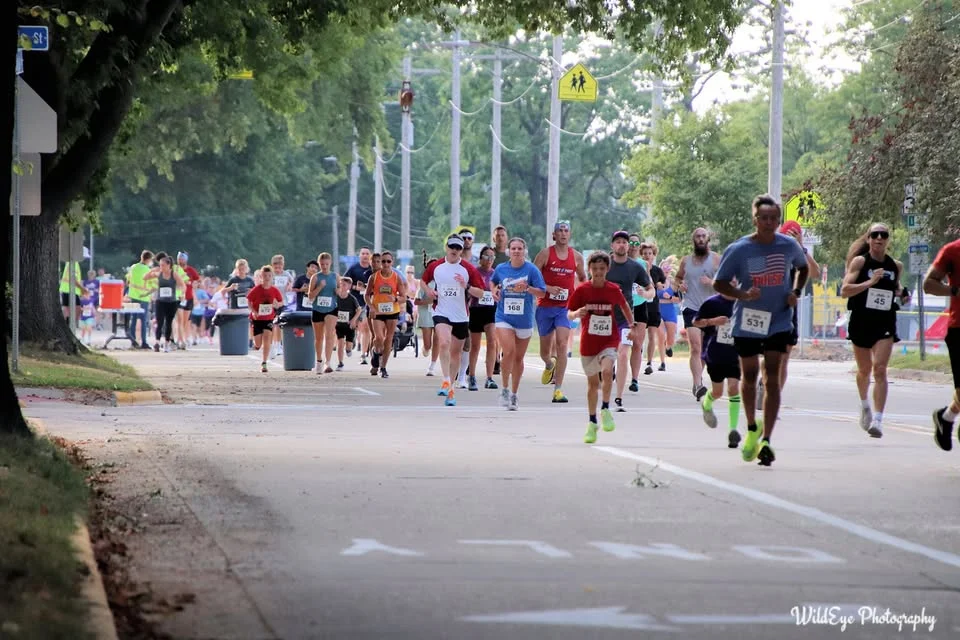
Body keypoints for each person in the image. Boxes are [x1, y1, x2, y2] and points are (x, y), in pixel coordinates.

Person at [713, 194, 809, 466]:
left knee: (772, 376)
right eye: (763, 218)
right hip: (748, 318)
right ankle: (752, 426)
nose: (768, 223)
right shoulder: (739, 249)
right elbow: (720, 284)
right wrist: (742, 294)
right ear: (755, 220)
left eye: (773, 219)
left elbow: (803, 269)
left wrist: (795, 291)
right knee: (750, 374)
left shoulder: (788, 245)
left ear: (778, 220)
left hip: (779, 318)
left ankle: (767, 439)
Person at [840, 223, 906, 438]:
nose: (879, 238)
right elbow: (845, 290)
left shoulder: (895, 266)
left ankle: (878, 419)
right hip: (861, 321)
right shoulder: (860, 262)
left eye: (883, 235)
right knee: (864, 371)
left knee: (879, 369)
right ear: (868, 239)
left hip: (884, 322)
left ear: (888, 240)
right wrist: (870, 282)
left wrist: (902, 294)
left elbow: (897, 289)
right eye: (875, 235)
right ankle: (865, 405)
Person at [567, 251, 634, 443]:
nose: (598, 272)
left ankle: (605, 408)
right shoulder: (582, 290)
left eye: (602, 269)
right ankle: (592, 422)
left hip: (609, 340)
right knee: (592, 385)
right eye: (595, 269)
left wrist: (632, 326)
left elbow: (625, 307)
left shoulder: (613, 289)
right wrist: (576, 313)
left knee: (606, 371)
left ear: (607, 270)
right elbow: (569, 313)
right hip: (589, 342)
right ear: (589, 270)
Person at [420, 234, 486, 406]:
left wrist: (467, 286)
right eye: (452, 247)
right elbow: (423, 281)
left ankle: (450, 384)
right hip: (440, 311)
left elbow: (481, 292)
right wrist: (428, 290)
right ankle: (447, 382)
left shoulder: (468, 269)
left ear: (462, 250)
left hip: (460, 315)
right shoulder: (436, 266)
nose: (455, 251)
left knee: (455, 353)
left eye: (458, 248)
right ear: (446, 248)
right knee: (443, 342)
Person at [533, 220, 586, 403]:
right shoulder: (545, 254)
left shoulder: (576, 257)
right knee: (545, 352)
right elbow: (533, 277)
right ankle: (549, 364)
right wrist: (548, 288)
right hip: (545, 307)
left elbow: (583, 278)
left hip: (565, 308)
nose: (563, 233)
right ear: (554, 235)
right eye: (559, 231)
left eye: (566, 231)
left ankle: (558, 390)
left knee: (563, 344)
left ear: (569, 234)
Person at [491, 237, 547, 410]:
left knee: (518, 358)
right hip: (503, 317)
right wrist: (494, 290)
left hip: (524, 319)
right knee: (508, 351)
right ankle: (505, 389)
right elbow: (493, 281)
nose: (516, 251)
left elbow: (543, 293)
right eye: (513, 248)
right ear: (509, 251)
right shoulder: (501, 268)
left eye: (519, 248)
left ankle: (514, 394)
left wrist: (528, 289)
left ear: (525, 251)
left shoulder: (531, 270)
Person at [605, 230, 654, 411]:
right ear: (612, 245)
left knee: (623, 354)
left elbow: (651, 289)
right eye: (618, 242)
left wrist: (646, 294)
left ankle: (618, 398)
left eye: (624, 242)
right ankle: (606, 390)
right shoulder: (604, 264)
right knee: (607, 359)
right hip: (603, 318)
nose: (621, 245)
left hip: (626, 318)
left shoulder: (635, 267)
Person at [675, 228, 722, 400]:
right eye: (697, 236)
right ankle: (697, 384)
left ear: (708, 239)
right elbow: (678, 278)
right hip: (691, 307)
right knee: (695, 347)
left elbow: (728, 282)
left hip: (711, 308)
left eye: (703, 236)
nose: (701, 239)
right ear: (693, 240)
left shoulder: (717, 259)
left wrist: (712, 282)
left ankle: (698, 378)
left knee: (704, 350)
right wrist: (680, 285)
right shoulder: (686, 261)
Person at [693, 287, 743, 448]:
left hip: (736, 353)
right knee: (718, 392)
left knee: (734, 388)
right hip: (715, 353)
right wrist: (713, 321)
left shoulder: (742, 302)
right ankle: (707, 404)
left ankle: (733, 430)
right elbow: (696, 321)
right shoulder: (712, 303)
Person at [775, 221, 821, 392]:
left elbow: (815, 272)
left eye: (793, 236)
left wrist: (800, 247)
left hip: (788, 311)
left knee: (784, 358)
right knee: (770, 357)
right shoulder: (770, 251)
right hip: (768, 309)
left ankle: (775, 398)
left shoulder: (798, 256)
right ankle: (765, 382)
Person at [925, 238, 960, 450]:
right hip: (959, 329)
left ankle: (946, 417)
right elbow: (928, 284)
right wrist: (954, 291)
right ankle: (946, 418)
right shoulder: (952, 251)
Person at [366, 250, 406, 379]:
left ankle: (383, 367)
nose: (386, 264)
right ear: (380, 263)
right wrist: (371, 306)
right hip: (377, 311)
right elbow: (367, 295)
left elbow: (403, 297)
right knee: (379, 338)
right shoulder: (374, 277)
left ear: (392, 262)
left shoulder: (396, 277)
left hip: (392, 311)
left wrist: (395, 299)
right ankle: (376, 353)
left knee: (389, 339)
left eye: (389, 261)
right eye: (383, 261)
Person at [467, 246, 499, 391]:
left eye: (492, 257)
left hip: (491, 309)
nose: (489, 260)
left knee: (492, 341)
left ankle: (489, 377)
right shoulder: (474, 272)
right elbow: (468, 289)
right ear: (480, 258)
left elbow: (500, 290)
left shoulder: (496, 274)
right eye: (486, 256)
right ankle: (472, 376)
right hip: (476, 309)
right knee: (475, 345)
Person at [246, 265, 285, 373]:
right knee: (258, 344)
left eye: (269, 275)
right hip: (257, 318)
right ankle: (257, 345)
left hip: (269, 318)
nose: (267, 278)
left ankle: (264, 363)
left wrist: (277, 304)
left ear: (272, 277)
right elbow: (249, 300)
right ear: (261, 277)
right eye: (264, 276)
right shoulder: (256, 289)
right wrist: (253, 312)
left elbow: (281, 302)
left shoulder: (274, 290)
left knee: (267, 338)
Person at [144, 256, 186, 352]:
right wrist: (152, 270)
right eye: (160, 265)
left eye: (163, 265)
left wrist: (182, 294)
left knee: (168, 322)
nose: (161, 267)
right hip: (160, 301)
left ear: (168, 265)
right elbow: (145, 277)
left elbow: (182, 285)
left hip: (171, 302)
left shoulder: (174, 275)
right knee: (159, 322)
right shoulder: (159, 274)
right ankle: (157, 342)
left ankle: (167, 343)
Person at [309, 253, 339, 374]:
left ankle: (328, 362)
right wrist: (319, 287)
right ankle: (319, 361)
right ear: (319, 264)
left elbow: (341, 293)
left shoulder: (335, 276)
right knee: (319, 337)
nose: (324, 266)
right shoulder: (316, 277)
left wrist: (338, 291)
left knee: (330, 334)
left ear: (330, 263)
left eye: (326, 264)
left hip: (331, 308)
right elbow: (310, 296)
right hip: (317, 309)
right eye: (322, 264)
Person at [344, 247, 374, 364]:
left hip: (368, 302)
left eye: (367, 254)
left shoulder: (373, 269)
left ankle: (363, 355)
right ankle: (351, 342)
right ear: (359, 255)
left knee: (365, 328)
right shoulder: (354, 268)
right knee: (352, 326)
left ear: (370, 256)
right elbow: (344, 281)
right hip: (355, 302)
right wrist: (355, 287)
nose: (365, 256)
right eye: (363, 254)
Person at [641, 243, 668, 374]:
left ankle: (649, 362)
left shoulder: (657, 271)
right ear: (641, 255)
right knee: (638, 336)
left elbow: (663, 283)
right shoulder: (638, 268)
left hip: (653, 306)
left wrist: (660, 285)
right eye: (645, 253)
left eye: (649, 253)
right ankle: (638, 353)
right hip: (640, 304)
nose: (647, 256)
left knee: (652, 334)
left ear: (653, 255)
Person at [417, 256, 441, 376]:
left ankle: (432, 366)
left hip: (439, 314)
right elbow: (416, 301)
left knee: (437, 339)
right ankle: (426, 348)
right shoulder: (424, 283)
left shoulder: (443, 282)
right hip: (426, 314)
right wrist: (428, 301)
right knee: (428, 344)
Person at [125, 251, 154, 349]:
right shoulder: (147, 269)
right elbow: (150, 283)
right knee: (143, 320)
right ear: (148, 259)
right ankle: (144, 342)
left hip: (133, 296)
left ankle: (133, 341)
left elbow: (128, 280)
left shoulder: (133, 267)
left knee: (133, 319)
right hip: (143, 297)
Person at [335, 276, 363, 370]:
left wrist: (354, 320)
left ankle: (349, 348)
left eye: (344, 285)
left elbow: (359, 310)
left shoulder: (352, 298)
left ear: (349, 286)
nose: (342, 286)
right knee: (340, 343)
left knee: (348, 346)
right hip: (339, 324)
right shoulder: (336, 297)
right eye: (341, 284)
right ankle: (340, 363)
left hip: (349, 325)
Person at [175, 252, 201, 350]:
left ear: (186, 259)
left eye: (182, 258)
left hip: (188, 297)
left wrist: (193, 285)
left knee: (186, 321)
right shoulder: (175, 269)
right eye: (179, 258)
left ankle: (184, 339)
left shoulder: (190, 270)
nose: (180, 260)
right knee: (179, 320)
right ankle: (179, 340)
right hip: (178, 297)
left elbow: (198, 280)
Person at [658, 257, 680, 359]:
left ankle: (668, 347)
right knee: (661, 335)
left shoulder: (673, 282)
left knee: (671, 339)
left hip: (670, 310)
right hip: (658, 310)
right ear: (660, 268)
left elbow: (679, 300)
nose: (666, 269)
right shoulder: (656, 282)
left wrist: (670, 297)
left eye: (668, 267)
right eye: (664, 267)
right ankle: (662, 362)